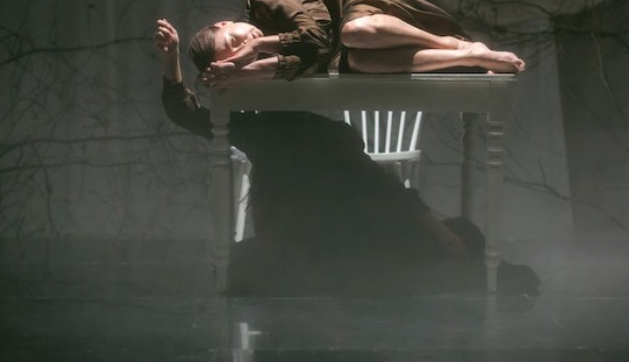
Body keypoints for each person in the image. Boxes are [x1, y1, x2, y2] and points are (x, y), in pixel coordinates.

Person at [154, 19, 529, 296]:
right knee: (428, 255)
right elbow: (187, 112)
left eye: (242, 36)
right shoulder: (255, 125)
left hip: (347, 211)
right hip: (310, 229)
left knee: (455, 239)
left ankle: (430, 242)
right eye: (235, 49)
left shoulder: (294, 53)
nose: (247, 44)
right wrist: (172, 62)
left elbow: (372, 181)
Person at [177, 0, 526, 88]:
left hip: (361, 2)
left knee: (353, 33)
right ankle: (468, 57)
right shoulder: (276, 59)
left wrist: (256, 49)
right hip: (350, 47)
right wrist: (242, 73)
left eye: (234, 40)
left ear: (223, 23)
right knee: (359, 63)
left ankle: (450, 43)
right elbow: (318, 60)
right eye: (237, 56)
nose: (245, 46)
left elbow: (318, 38)